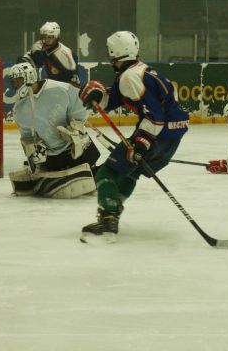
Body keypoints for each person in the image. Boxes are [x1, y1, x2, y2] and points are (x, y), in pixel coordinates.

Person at [78, 30, 190, 242]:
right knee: (129, 173)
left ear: (114, 52)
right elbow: (117, 98)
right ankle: (113, 212)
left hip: (156, 135)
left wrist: (141, 143)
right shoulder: (140, 71)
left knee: (106, 172)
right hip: (171, 137)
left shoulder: (130, 77)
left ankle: (108, 220)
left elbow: (154, 116)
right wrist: (98, 96)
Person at [7, 61, 100, 198]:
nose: (16, 85)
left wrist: (75, 129)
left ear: (30, 77)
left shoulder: (60, 88)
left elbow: (81, 109)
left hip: (76, 148)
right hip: (53, 158)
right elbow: (27, 136)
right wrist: (34, 149)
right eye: (14, 82)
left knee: (97, 170)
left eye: (19, 80)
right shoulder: (19, 109)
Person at [18, 21, 80, 87]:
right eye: (44, 37)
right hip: (50, 87)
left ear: (56, 37)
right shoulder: (40, 46)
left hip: (63, 89)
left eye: (50, 37)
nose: (46, 40)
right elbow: (26, 61)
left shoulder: (67, 55)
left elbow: (74, 84)